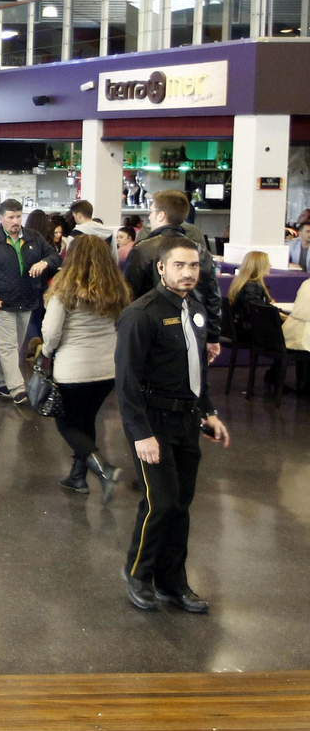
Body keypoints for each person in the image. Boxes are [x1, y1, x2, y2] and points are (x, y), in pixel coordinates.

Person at [115, 234, 231, 614]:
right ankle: (138, 574)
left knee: (180, 505)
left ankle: (172, 582)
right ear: (161, 268)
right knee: (160, 502)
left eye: (194, 265)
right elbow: (127, 381)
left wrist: (208, 412)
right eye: (179, 265)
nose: (188, 272)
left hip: (187, 420)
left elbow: (197, 369)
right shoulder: (141, 314)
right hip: (153, 422)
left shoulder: (195, 309)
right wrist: (141, 434)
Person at [37, 235, 130, 499]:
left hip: (74, 369)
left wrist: (46, 353)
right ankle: (77, 477)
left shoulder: (64, 290)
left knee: (66, 424)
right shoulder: (117, 289)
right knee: (86, 420)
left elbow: (51, 332)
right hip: (108, 370)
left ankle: (104, 470)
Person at [0, 198, 60, 405]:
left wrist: (44, 262)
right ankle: (17, 388)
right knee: (8, 345)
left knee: (14, 345)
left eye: (19, 216)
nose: (16, 221)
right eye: (11, 217)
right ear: (1, 218)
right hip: (0, 303)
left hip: (26, 300)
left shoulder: (33, 237)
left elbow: (55, 257)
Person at [124, 191, 221, 364]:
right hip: (194, 328)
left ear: (161, 215)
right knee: (193, 376)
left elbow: (129, 294)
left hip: (153, 332)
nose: (149, 217)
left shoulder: (143, 250)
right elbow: (213, 297)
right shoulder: (200, 250)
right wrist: (212, 336)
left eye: (152, 211)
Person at [228, 250, 285, 393]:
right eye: (267, 263)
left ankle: (274, 375)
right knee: (287, 336)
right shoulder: (252, 286)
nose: (270, 266)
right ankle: (275, 375)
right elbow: (255, 312)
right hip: (249, 330)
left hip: (241, 328)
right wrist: (277, 314)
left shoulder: (242, 283)